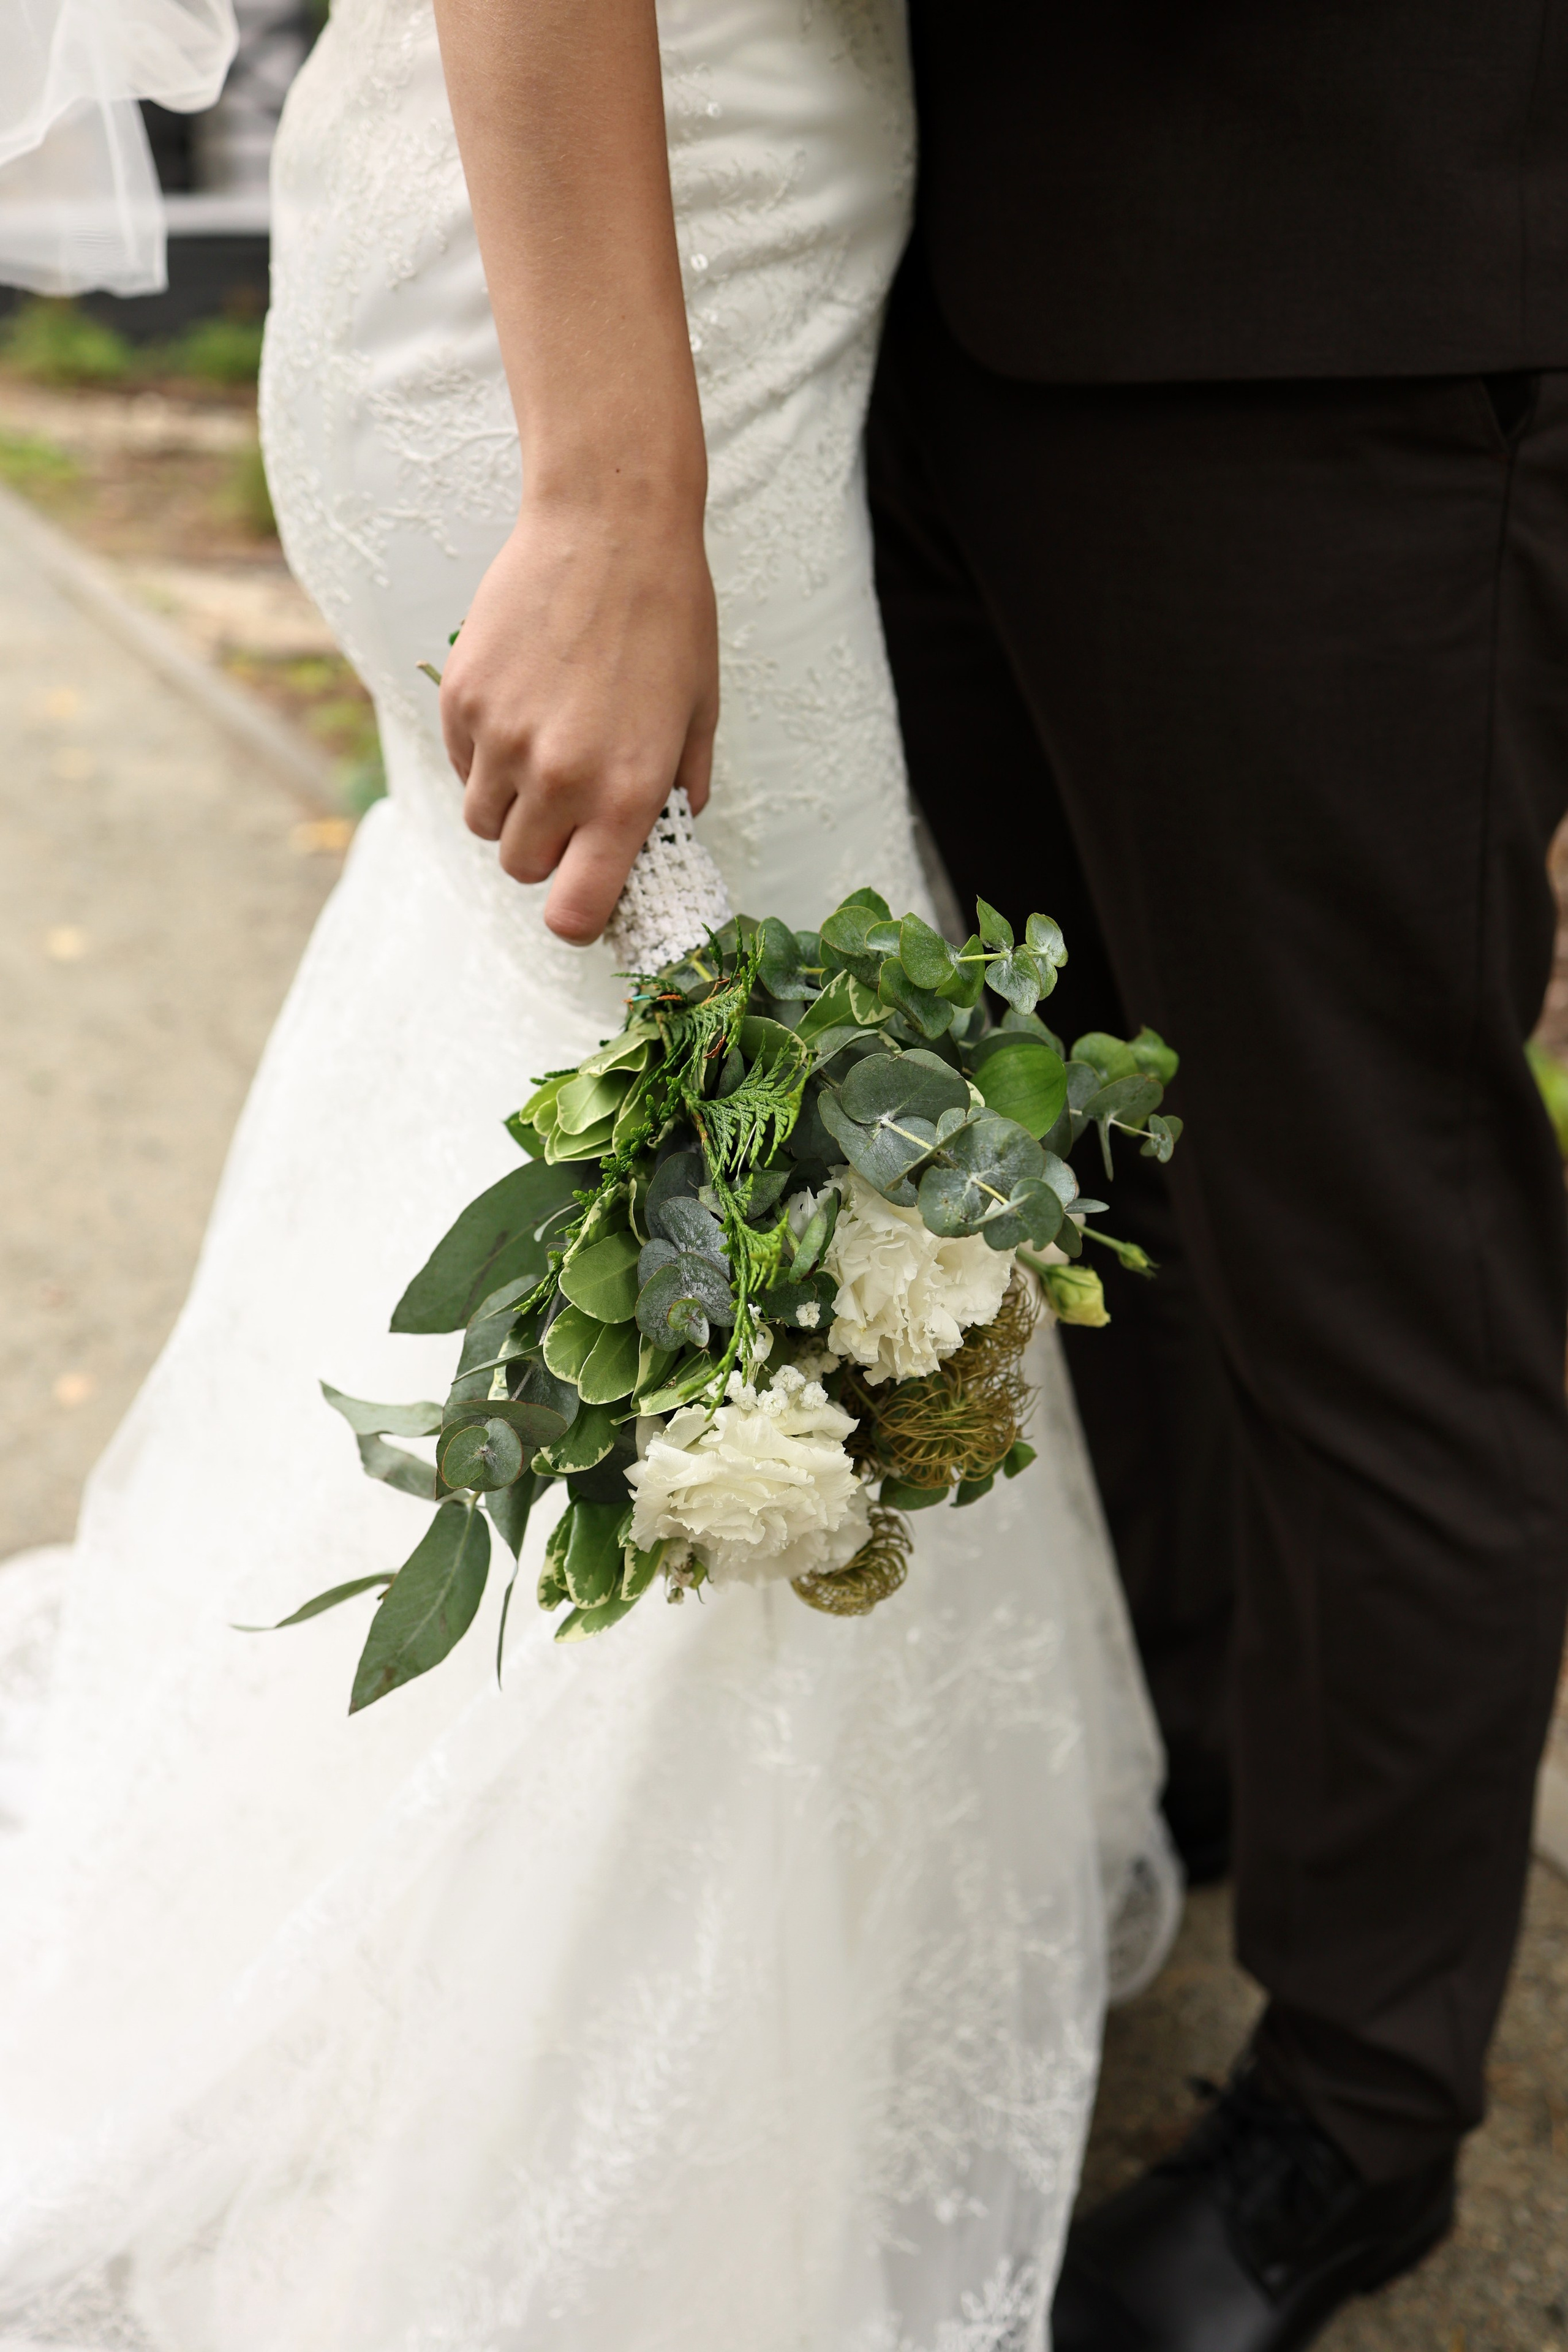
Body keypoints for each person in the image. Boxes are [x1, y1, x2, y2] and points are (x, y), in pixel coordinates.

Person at [0, 2, 1178, 2347]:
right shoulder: (626, 439)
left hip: (647, 275)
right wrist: (616, 498)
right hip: (624, 340)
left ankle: (559, 1953)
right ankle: (574, 2120)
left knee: (643, 1109)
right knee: (742, 1175)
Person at [865, 6, 1568, 2346]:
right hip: (904, 280)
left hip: (1335, 304)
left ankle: (1360, 2114)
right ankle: (1182, 1783)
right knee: (1078, 1187)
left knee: (1373, 1242)